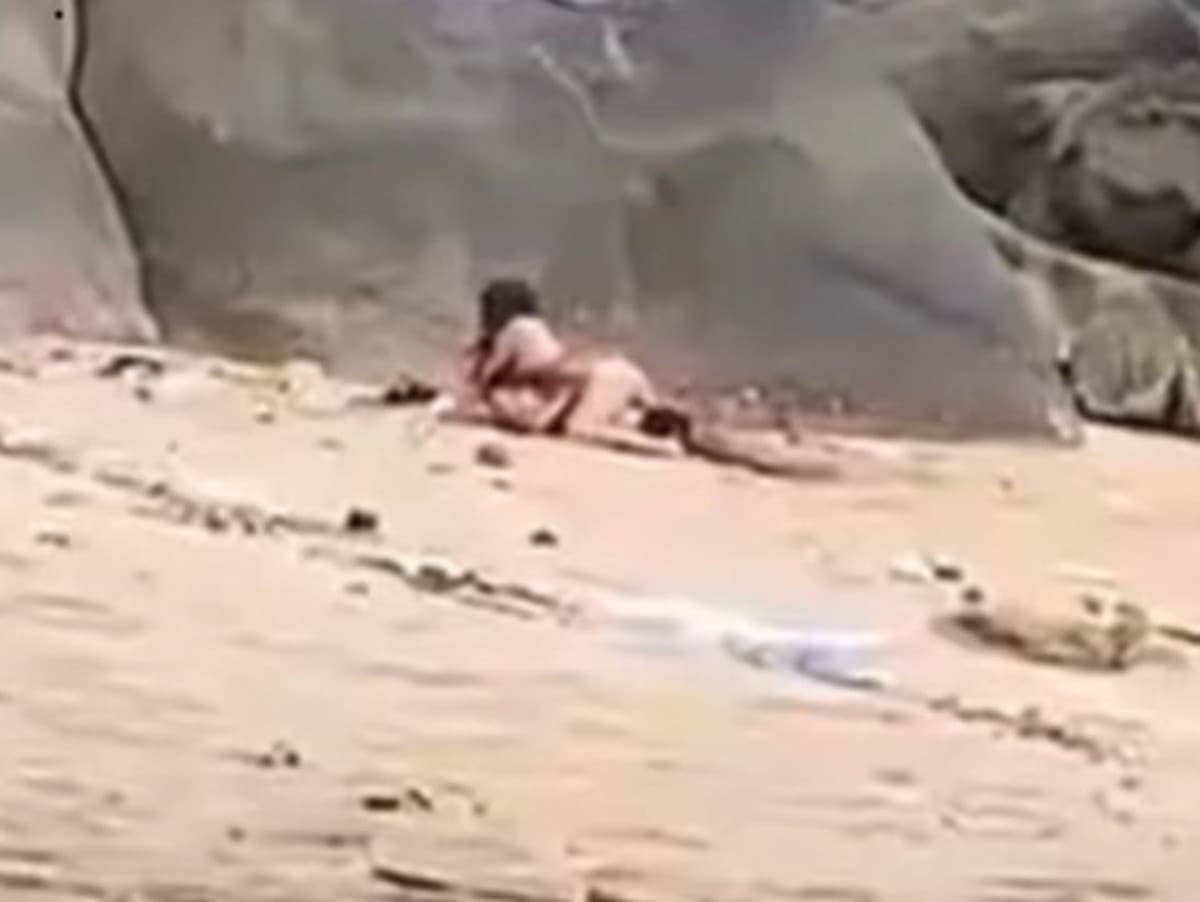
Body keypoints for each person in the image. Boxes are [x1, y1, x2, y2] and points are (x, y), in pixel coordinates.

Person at [455, 278, 688, 451]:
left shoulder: (516, 330)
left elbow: (483, 381)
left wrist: (477, 359)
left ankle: (659, 446)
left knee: (581, 430)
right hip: (615, 372)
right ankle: (667, 427)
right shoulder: (534, 333)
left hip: (600, 379)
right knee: (631, 418)